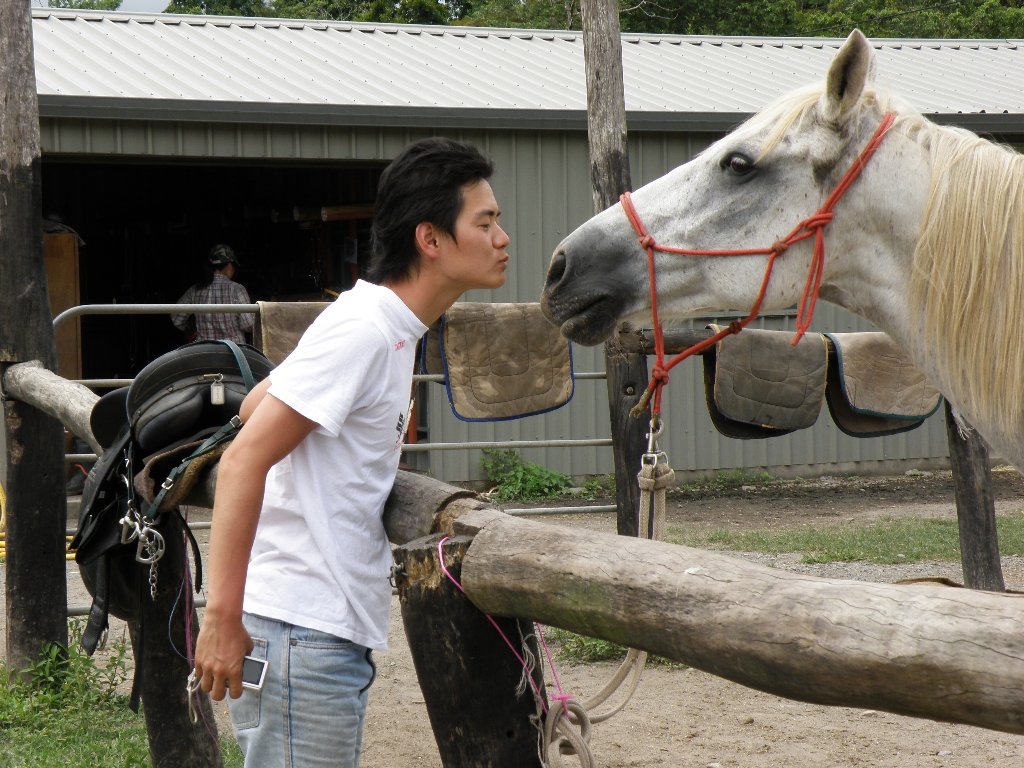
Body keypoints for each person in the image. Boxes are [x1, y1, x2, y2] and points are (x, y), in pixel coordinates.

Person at [192, 137, 510, 767]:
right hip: (299, 635)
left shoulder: (383, 324)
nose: (502, 236)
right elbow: (244, 457)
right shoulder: (365, 329)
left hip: (315, 633)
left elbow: (257, 404)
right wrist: (221, 619)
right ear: (431, 239)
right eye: (486, 221)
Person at [171, 244, 255, 344]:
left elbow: (176, 318)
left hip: (205, 352)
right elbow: (248, 325)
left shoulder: (195, 290)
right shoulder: (237, 289)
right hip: (234, 352)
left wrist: (191, 328)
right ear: (229, 265)